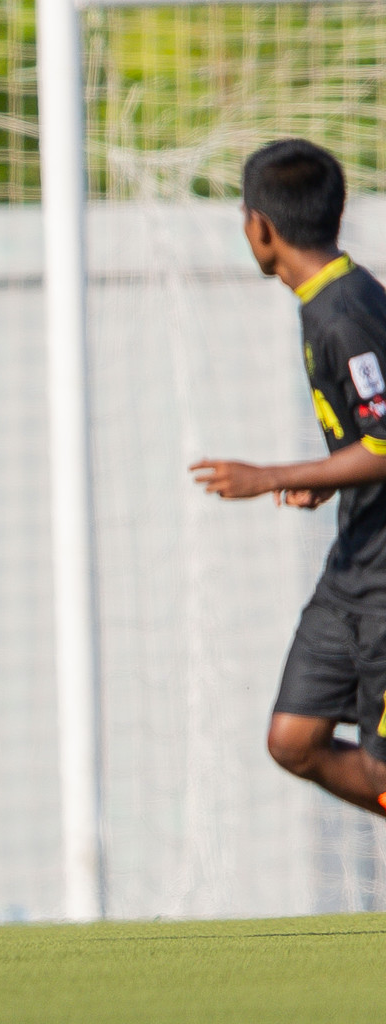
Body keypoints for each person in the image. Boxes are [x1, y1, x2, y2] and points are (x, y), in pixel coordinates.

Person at [190, 138, 386, 819]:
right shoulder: (324, 299)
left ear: (261, 226)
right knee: (293, 738)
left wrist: (270, 474)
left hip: (385, 582)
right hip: (354, 570)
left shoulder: (346, 312)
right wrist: (331, 479)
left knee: (378, 766)